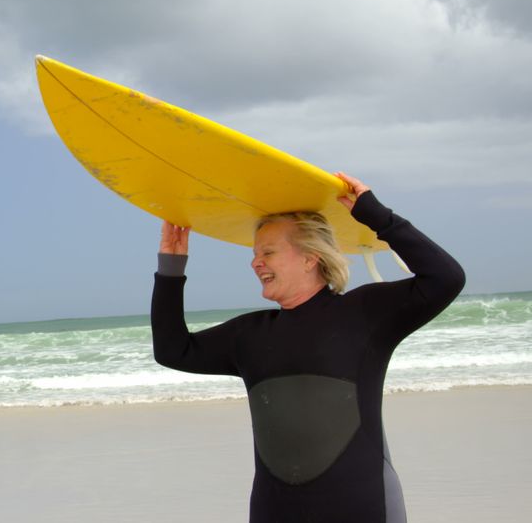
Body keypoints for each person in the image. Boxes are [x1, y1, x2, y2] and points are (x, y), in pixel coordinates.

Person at [151, 172, 464, 522]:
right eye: (255, 254)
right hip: (276, 510)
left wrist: (376, 215)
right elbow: (171, 349)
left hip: (362, 506)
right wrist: (171, 267)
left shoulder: (365, 314)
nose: (255, 262)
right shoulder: (249, 335)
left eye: (268, 252)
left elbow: (445, 278)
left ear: (310, 257)